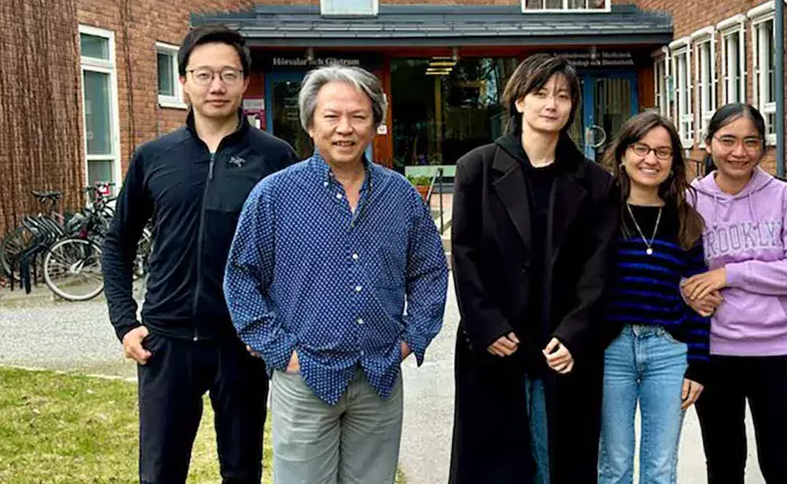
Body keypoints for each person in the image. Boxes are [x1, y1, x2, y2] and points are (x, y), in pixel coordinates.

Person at [224, 65, 450, 484]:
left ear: (375, 124)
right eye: (332, 116)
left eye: (358, 116)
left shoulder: (400, 196)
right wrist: (280, 352)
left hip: (379, 379)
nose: (345, 128)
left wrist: (410, 339)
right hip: (305, 376)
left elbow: (430, 271)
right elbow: (241, 277)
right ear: (310, 123)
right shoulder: (274, 195)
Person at [102, 25, 298, 484]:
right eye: (203, 74)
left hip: (243, 344)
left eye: (228, 74)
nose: (216, 86)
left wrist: (274, 327)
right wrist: (125, 324)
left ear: (245, 81)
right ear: (184, 81)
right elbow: (118, 243)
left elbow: (297, 252)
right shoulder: (155, 157)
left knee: (242, 469)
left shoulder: (275, 158)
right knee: (160, 471)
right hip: (166, 344)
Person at [448, 54, 618, 484]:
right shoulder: (477, 169)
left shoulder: (596, 182)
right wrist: (486, 325)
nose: (551, 104)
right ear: (519, 100)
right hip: (496, 342)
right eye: (540, 93)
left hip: (561, 346)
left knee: (559, 463)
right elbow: (464, 254)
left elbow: (597, 270)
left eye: (562, 96)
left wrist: (574, 334)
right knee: (494, 465)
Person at [682, 102, 787, 484]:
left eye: (750, 141)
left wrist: (730, 273)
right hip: (715, 353)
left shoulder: (784, 197)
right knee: (724, 465)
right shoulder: (690, 200)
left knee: (782, 465)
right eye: (727, 140)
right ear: (708, 144)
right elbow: (672, 268)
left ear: (763, 147)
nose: (739, 152)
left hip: (780, 353)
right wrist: (687, 290)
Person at [597, 112, 716, 484]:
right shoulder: (601, 214)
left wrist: (698, 364)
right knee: (613, 464)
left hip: (669, 352)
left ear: (674, 163)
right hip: (610, 349)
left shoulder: (686, 220)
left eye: (663, 152)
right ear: (622, 155)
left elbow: (701, 299)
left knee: (661, 467)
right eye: (641, 148)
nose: (651, 159)